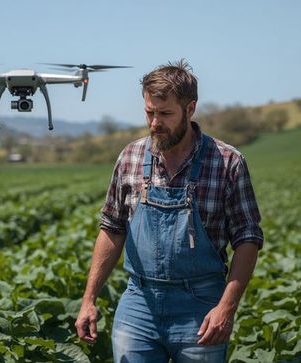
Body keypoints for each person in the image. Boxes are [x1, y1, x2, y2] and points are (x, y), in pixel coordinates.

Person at [75, 59, 263, 362]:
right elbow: (112, 228)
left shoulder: (227, 162)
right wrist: (88, 300)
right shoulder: (130, 157)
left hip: (201, 305)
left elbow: (248, 238)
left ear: (190, 109)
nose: (154, 123)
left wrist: (226, 308)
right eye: (149, 112)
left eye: (165, 114)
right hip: (139, 302)